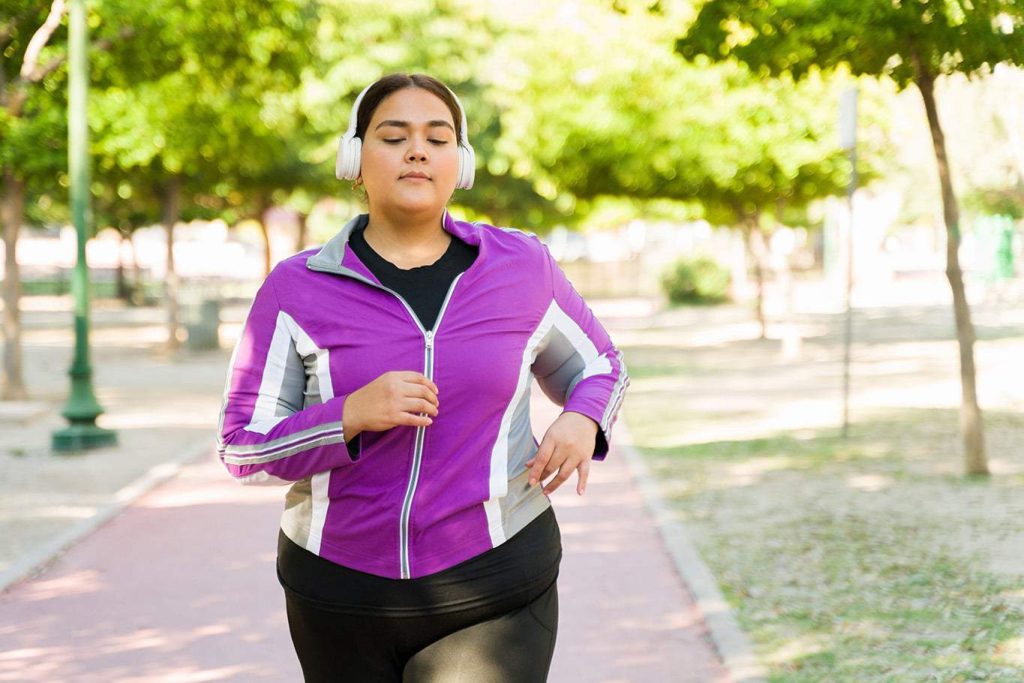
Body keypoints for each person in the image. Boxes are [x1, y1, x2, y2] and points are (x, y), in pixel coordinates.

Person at [216, 72, 628, 682]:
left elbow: (601, 365)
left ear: (460, 163)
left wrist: (582, 417)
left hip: (496, 577)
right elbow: (242, 446)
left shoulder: (521, 267)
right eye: (394, 137)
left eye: (437, 139)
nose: (417, 152)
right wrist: (348, 415)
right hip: (338, 591)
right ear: (355, 160)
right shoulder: (296, 287)